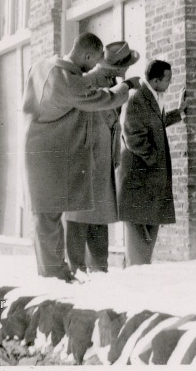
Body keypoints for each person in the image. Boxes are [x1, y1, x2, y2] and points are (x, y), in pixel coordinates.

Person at [21, 32, 140, 281]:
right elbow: (103, 98)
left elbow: (69, 88)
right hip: (49, 155)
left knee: (48, 217)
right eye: (95, 60)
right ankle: (55, 277)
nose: (96, 66)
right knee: (49, 219)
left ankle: (55, 274)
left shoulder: (46, 65)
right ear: (87, 56)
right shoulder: (68, 82)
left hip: (41, 150)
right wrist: (126, 87)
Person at [63, 41, 140, 274]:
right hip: (84, 160)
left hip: (102, 159)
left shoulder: (110, 82)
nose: (127, 69)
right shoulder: (88, 82)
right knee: (78, 218)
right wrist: (126, 86)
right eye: (125, 65)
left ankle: (99, 270)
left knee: (99, 217)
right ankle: (75, 271)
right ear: (117, 67)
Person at [117, 59, 187, 266]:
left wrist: (179, 111)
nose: (170, 83)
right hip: (137, 179)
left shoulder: (151, 96)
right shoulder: (136, 98)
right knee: (138, 236)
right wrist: (155, 160)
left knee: (147, 233)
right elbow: (133, 137)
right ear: (155, 80)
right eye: (168, 79)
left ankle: (136, 271)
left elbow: (155, 123)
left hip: (147, 179)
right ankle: (135, 275)